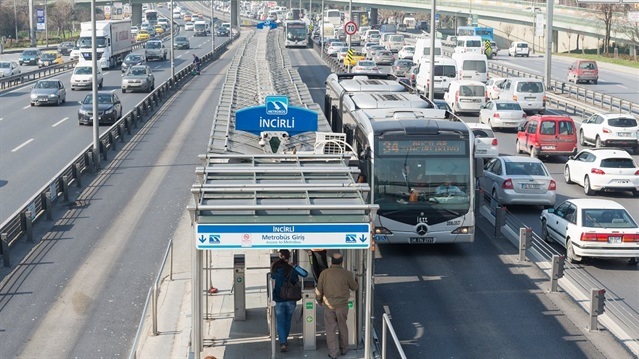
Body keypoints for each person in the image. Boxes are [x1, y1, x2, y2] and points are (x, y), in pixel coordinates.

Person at [315, 253, 358, 359]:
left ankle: (333, 353)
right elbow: (354, 287)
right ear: (342, 262)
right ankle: (344, 349)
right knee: (343, 327)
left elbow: (319, 290)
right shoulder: (347, 274)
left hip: (329, 306)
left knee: (331, 329)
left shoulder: (324, 273)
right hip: (343, 306)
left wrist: (319, 300)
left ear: (331, 262)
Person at [271, 249, 306, 352]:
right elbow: (304, 273)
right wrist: (294, 266)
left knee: (280, 321)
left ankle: (283, 342)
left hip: (278, 299)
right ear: (289, 257)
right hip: (291, 298)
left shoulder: (275, 267)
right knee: (288, 319)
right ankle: (284, 339)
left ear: (280, 256)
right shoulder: (292, 268)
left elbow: (272, 278)